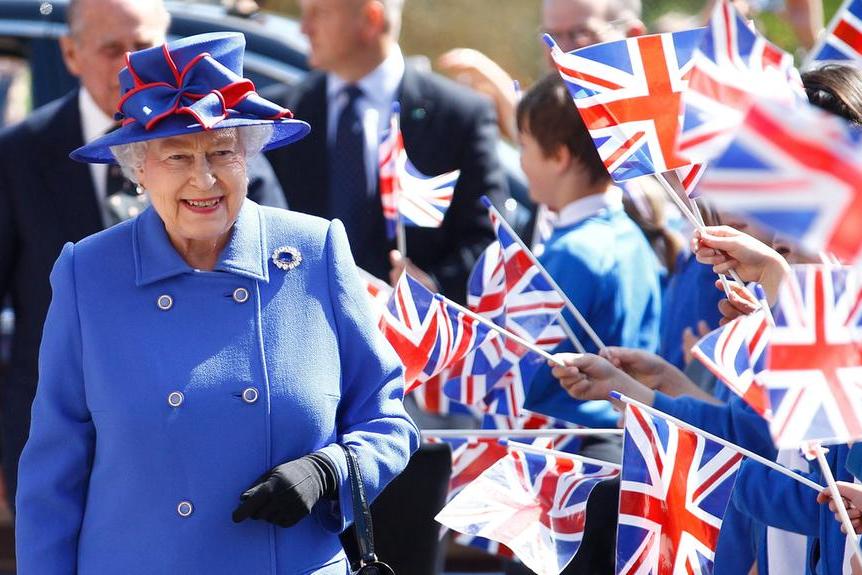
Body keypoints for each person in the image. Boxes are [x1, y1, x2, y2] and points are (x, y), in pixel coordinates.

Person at [14, 31, 418, 573]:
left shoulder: (314, 250)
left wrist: (332, 470)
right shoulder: (88, 272)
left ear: (248, 157)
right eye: (177, 155)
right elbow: (52, 474)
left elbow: (389, 418)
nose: (203, 179)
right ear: (139, 169)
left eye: (222, 152)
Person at [0, 0, 287, 512]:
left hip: (205, 439)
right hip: (63, 443)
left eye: (144, 49)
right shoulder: (17, 153)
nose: (129, 66)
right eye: (112, 49)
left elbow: (280, 286)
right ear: (70, 52)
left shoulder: (227, 152)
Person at [265, 0, 508, 304]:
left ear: (370, 19)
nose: (304, 28)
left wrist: (432, 287)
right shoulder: (280, 118)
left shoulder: (458, 116)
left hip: (411, 340)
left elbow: (492, 241)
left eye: (320, 13)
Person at [515, 73, 662, 429]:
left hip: (569, 447)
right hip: (618, 437)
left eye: (524, 146)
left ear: (559, 157)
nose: (520, 161)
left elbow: (519, 370)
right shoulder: (630, 235)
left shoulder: (572, 254)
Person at [437, 0, 646, 141]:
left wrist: (498, 85)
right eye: (551, 36)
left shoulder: (663, 117)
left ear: (632, 34)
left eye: (581, 33)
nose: (560, 50)